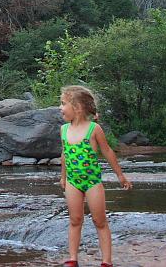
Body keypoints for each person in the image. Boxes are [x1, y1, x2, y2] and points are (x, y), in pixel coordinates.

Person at [59, 85, 132, 267]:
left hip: (92, 182)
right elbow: (64, 155)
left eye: (63, 104)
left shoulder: (94, 129)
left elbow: (107, 152)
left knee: (99, 221)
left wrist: (120, 176)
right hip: (73, 182)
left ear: (77, 107)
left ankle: (106, 261)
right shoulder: (63, 130)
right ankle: (73, 259)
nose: (60, 108)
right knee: (75, 219)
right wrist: (63, 177)